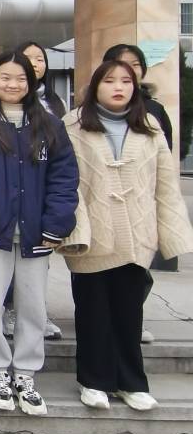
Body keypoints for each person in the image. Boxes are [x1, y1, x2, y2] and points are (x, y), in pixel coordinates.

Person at [58, 60, 192, 412]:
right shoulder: (72, 124)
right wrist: (75, 230)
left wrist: (171, 232)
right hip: (92, 234)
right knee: (93, 313)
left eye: (126, 81)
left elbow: (166, 183)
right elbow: (66, 181)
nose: (118, 87)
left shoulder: (149, 125)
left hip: (136, 233)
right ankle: (93, 380)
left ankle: (131, 382)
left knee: (129, 313)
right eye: (109, 80)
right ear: (95, 86)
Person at [0, 51, 79, 416]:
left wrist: (56, 224)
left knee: (33, 307)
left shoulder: (49, 125)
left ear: (32, 82)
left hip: (35, 234)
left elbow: (64, 178)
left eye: (21, 78)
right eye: (5, 77)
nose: (13, 84)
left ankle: (25, 374)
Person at [103, 43, 175, 342]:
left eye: (134, 65)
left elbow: (164, 164)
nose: (127, 72)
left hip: (139, 206)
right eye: (117, 67)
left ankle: (133, 320)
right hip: (102, 206)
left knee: (137, 272)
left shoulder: (154, 111)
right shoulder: (87, 113)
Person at [2, 41, 67, 341]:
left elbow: (62, 166)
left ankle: (36, 313)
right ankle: (10, 310)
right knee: (5, 270)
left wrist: (56, 217)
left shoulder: (54, 107)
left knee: (36, 270)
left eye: (39, 59)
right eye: (28, 58)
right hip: (4, 205)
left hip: (37, 202)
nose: (33, 64)